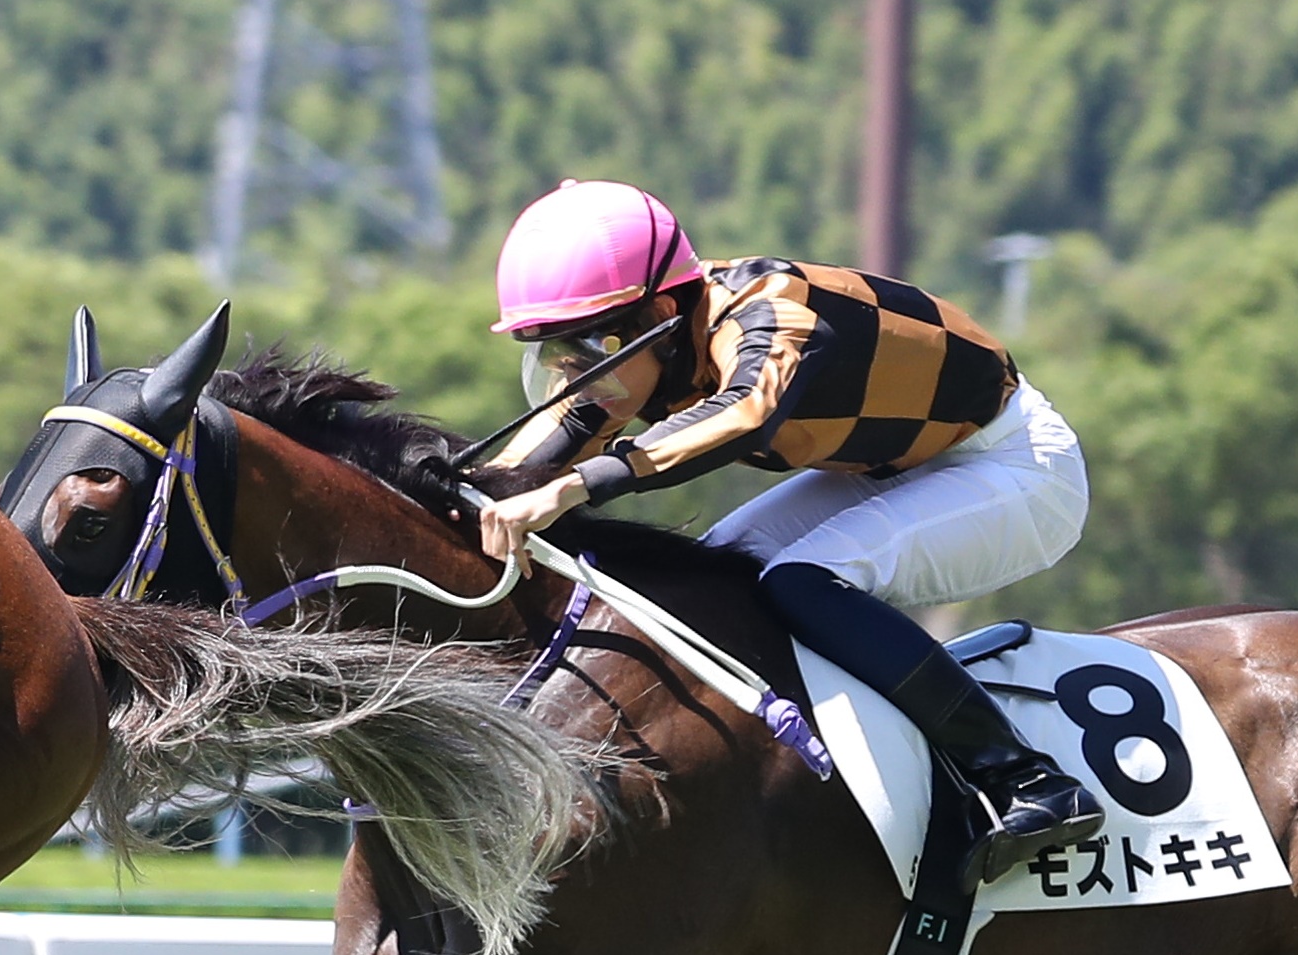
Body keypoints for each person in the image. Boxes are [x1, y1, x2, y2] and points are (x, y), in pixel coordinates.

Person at [467, 179, 1100, 883]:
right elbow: (546, 445)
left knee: (796, 582)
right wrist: (464, 500)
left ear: (661, 312)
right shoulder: (647, 344)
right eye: (552, 354)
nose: (574, 375)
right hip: (893, 462)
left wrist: (576, 485)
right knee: (707, 586)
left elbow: (741, 413)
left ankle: (1023, 778)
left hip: (1015, 465)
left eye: (586, 348)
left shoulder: (773, 314)